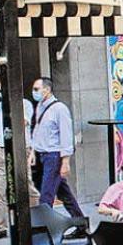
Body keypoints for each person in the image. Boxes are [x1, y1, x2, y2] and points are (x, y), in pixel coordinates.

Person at [0, 80, 40, 241]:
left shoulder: (25, 104)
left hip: (20, 148)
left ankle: (36, 221)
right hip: (1, 150)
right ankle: (1, 226)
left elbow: (23, 122)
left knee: (26, 186)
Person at [30, 77, 84, 218]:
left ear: (47, 90)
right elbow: (37, 131)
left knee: (46, 195)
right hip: (42, 155)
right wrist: (32, 152)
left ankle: (44, 228)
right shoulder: (40, 107)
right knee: (63, 193)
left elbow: (66, 136)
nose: (33, 92)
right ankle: (80, 223)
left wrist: (65, 162)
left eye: (37, 89)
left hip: (54, 156)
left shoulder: (60, 109)